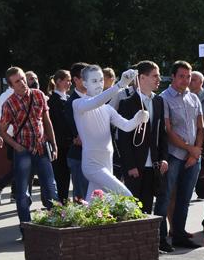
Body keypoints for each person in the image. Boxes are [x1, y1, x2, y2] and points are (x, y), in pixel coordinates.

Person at [116, 61, 169, 247]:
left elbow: (161, 133)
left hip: (152, 164)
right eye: (155, 75)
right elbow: (123, 139)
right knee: (132, 206)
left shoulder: (158, 101)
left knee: (147, 206)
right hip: (135, 166)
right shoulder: (127, 103)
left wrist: (163, 157)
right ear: (142, 78)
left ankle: (144, 246)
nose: (158, 79)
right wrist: (130, 165)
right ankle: (129, 244)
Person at [72, 65, 145, 199]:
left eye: (101, 80)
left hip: (107, 163)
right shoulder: (78, 104)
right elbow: (95, 102)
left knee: (96, 205)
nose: (99, 84)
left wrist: (138, 119)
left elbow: (127, 126)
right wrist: (120, 85)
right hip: (92, 165)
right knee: (126, 196)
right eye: (94, 81)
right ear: (84, 83)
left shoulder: (107, 109)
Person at [0, 67, 59, 226]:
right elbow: (2, 132)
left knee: (51, 189)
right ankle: (26, 229)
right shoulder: (9, 104)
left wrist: (53, 143)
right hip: (23, 150)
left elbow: (46, 121)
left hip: (41, 147)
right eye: (17, 81)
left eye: (23, 79)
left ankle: (55, 224)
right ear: (11, 86)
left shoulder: (38, 95)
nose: (22, 83)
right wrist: (16, 146)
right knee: (23, 193)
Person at [155, 61, 204, 250]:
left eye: (188, 76)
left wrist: (196, 150)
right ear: (173, 76)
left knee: (185, 198)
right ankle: (160, 238)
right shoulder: (163, 98)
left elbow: (201, 127)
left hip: (193, 157)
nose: (185, 80)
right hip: (174, 154)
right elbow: (167, 130)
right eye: (181, 76)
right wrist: (189, 149)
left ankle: (179, 234)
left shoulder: (194, 98)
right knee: (165, 196)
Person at [64, 63, 90, 200]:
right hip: (79, 157)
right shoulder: (71, 103)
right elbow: (77, 137)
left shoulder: (95, 99)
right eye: (85, 77)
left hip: (94, 157)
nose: (89, 81)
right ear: (76, 80)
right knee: (82, 201)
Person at [48, 69, 73, 203]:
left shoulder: (69, 99)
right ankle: (61, 204)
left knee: (69, 177)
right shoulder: (53, 101)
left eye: (70, 80)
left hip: (71, 144)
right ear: (58, 81)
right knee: (61, 176)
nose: (69, 83)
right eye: (67, 80)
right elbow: (58, 123)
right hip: (60, 144)